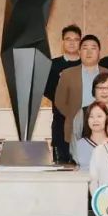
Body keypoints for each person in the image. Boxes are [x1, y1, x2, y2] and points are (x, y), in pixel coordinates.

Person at [56, 35, 108, 146]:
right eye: (85, 48)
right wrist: (75, 116)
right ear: (79, 52)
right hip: (77, 127)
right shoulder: (67, 74)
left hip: (104, 126)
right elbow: (60, 101)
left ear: (99, 52)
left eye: (93, 48)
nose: (89, 52)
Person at [46, 24, 82, 163]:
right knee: (61, 164)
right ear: (62, 42)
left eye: (76, 39)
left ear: (80, 42)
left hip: (84, 121)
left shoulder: (86, 63)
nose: (72, 43)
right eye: (68, 39)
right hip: (60, 121)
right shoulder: (52, 65)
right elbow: (47, 91)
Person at [70, 72, 108, 153]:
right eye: (100, 88)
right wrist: (78, 158)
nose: (104, 91)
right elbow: (75, 139)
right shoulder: (83, 113)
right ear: (94, 90)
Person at [74, 102, 108, 171]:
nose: (95, 120)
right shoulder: (80, 144)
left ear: (107, 118)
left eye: (99, 116)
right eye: (91, 117)